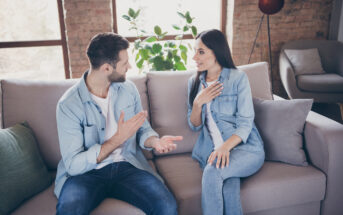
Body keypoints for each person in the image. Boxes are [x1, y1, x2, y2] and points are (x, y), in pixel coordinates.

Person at [54, 32, 182, 215]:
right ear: (106, 68)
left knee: (167, 207)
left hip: (127, 166)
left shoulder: (128, 89)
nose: (129, 66)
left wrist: (155, 142)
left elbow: (142, 128)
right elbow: (74, 165)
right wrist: (117, 139)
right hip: (86, 174)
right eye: (124, 64)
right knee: (69, 210)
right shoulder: (69, 105)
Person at [187, 29, 265, 215]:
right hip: (211, 151)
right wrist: (198, 103)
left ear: (217, 51)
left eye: (201, 52)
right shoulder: (193, 82)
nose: (194, 57)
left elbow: (246, 123)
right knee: (229, 189)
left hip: (245, 149)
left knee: (213, 172)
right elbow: (194, 125)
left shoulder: (238, 79)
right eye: (195, 51)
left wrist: (224, 148)